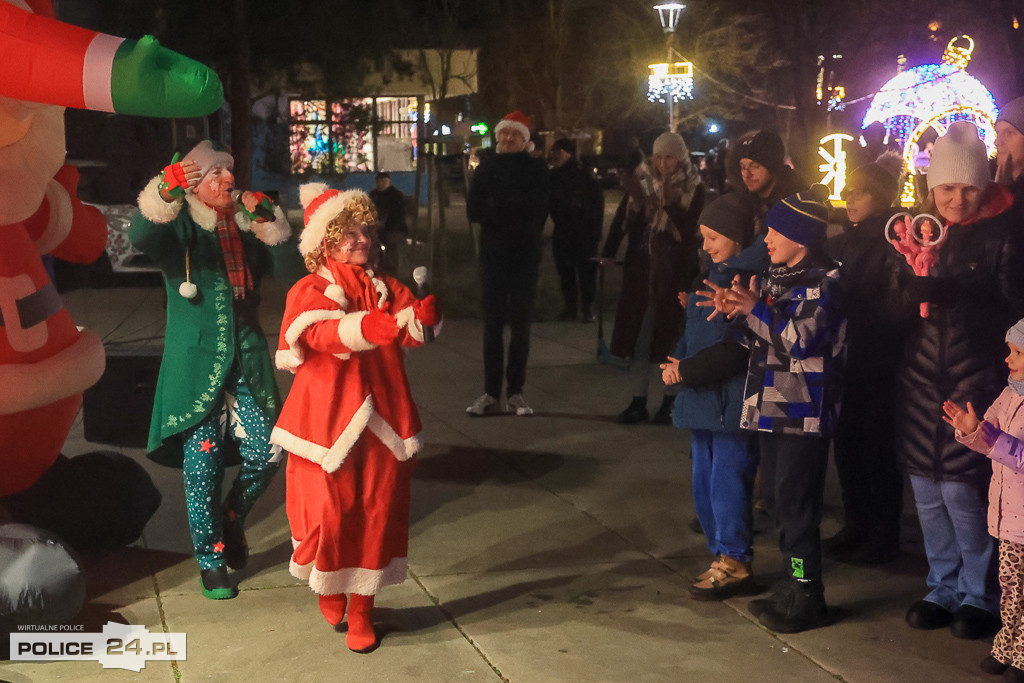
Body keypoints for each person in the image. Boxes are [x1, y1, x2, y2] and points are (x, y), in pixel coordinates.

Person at [130, 139, 302, 600]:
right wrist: (165, 191)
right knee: (202, 462)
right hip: (196, 362)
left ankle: (232, 517)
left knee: (269, 451)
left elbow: (291, 271)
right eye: (215, 175)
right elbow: (141, 235)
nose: (228, 180)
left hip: (247, 358)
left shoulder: (244, 229)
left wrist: (269, 222)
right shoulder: (180, 229)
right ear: (195, 185)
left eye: (229, 172)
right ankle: (210, 559)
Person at [270, 184, 437, 653]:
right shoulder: (311, 287)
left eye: (365, 229)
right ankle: (329, 582)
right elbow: (318, 333)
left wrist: (423, 318)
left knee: (378, 509)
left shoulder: (388, 285)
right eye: (348, 232)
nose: (361, 239)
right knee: (325, 511)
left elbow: (410, 334)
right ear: (323, 240)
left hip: (384, 414)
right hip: (324, 421)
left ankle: (363, 607)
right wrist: (364, 327)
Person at [890, 121, 1022, 640]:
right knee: (926, 490)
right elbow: (890, 309)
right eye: (947, 188)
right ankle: (939, 586)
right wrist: (907, 290)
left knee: (966, 494)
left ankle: (978, 593)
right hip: (921, 381)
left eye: (968, 188)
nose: (957, 199)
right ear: (931, 189)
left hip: (975, 379)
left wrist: (958, 292)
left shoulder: (1003, 235)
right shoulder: (916, 232)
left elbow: (1014, 311)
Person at [698, 184, 845, 633]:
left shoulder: (825, 282)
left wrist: (754, 310)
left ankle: (807, 593)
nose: (766, 241)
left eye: (775, 233)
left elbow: (802, 341)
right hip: (768, 406)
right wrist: (735, 313)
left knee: (798, 507)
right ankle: (790, 585)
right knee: (778, 502)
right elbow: (758, 341)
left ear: (800, 238)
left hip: (803, 411)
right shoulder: (772, 281)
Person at [662, 192, 768, 599]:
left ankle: (735, 560)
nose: (705, 245)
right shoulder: (711, 276)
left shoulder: (742, 281)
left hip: (727, 402)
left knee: (728, 481)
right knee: (703, 482)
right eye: (703, 237)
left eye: (713, 237)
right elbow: (698, 336)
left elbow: (734, 347)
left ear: (737, 238)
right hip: (703, 401)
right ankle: (720, 556)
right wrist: (679, 358)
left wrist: (685, 371)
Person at [822, 152, 906, 564]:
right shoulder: (846, 240)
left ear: (881, 197)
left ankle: (883, 530)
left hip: (877, 358)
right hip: (847, 355)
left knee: (877, 446)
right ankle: (856, 523)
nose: (851, 199)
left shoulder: (892, 241)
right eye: (849, 191)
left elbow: (892, 304)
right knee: (848, 442)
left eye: (861, 193)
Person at [943, 318, 1024, 680]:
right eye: (1010, 350)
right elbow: (987, 436)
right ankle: (1007, 643)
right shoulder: (1010, 394)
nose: (1009, 358)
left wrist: (990, 439)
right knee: (1010, 587)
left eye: (1018, 352)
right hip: (1010, 515)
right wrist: (971, 429)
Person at [612, 132, 705, 425]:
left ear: (680, 159)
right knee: (640, 339)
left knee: (670, 340)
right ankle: (637, 401)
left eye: (670, 157)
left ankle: (670, 401)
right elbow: (626, 222)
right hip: (641, 273)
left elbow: (690, 230)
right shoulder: (642, 181)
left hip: (673, 274)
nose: (663, 163)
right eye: (659, 157)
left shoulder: (693, 187)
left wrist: (668, 202)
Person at [465, 110, 549, 416]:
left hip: (524, 256)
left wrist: (500, 209)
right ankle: (490, 392)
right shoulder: (486, 168)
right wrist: (508, 211)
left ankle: (516, 391)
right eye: (504, 134)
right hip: (493, 256)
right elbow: (474, 209)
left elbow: (538, 210)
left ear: (524, 139)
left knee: (521, 327)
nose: (508, 139)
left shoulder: (535, 169)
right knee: (493, 326)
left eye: (514, 135)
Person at [548, 137, 604, 322]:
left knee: (577, 273)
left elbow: (595, 204)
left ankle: (578, 308)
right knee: (576, 273)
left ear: (564, 152)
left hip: (576, 232)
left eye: (555, 152)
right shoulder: (575, 174)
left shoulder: (575, 175)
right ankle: (580, 309)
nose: (553, 156)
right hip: (576, 232)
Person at [731, 130, 805, 236]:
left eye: (755, 166)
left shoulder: (796, 203)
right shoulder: (744, 201)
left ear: (772, 166)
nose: (747, 175)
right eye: (743, 167)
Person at [369, 171, 408, 276]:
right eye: (379, 181)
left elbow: (398, 216)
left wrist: (385, 225)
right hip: (376, 228)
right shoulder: (374, 195)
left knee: (392, 244)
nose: (380, 183)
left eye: (383, 181)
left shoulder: (396, 196)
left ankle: (392, 270)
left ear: (388, 181)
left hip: (394, 229)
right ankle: (378, 267)